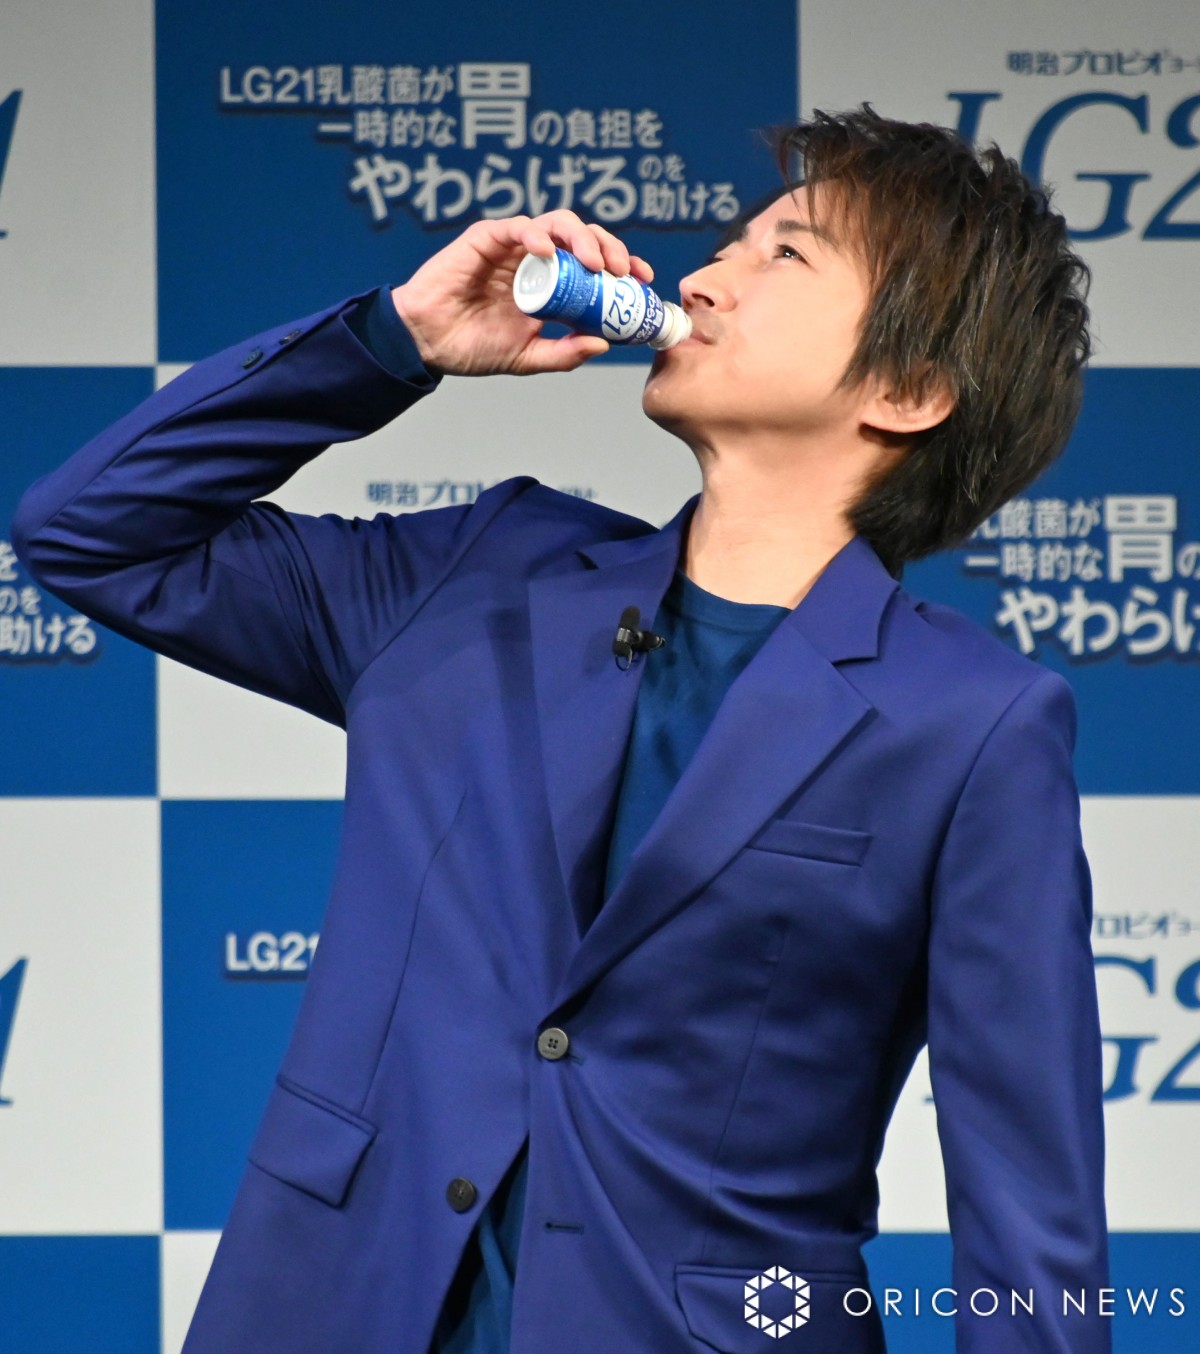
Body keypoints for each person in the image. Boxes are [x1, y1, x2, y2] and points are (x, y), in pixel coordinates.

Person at [12, 105, 1109, 1353]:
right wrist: (393, 339)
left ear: (909, 390)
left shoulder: (974, 724)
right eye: (731, 244)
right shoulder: (484, 570)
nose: (706, 278)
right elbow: (90, 531)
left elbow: (1030, 1223)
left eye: (787, 254)